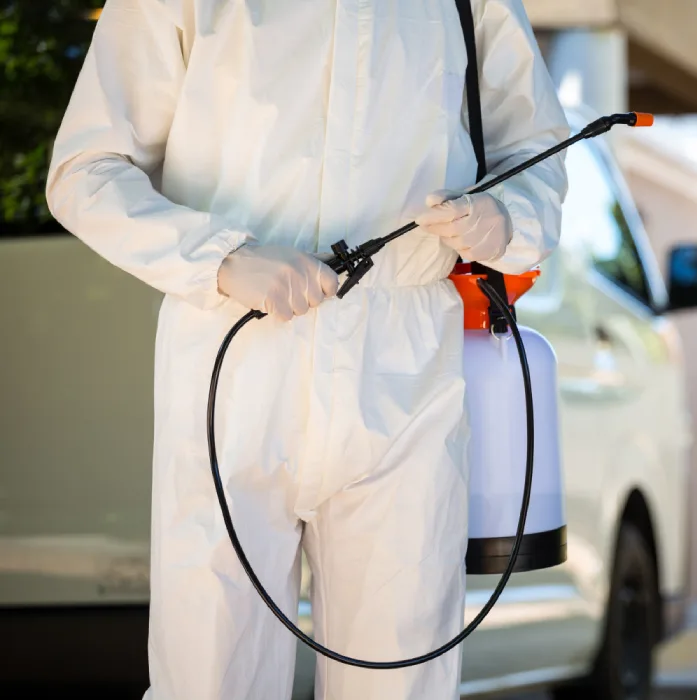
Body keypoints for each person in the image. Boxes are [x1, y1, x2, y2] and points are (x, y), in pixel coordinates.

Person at [46, 0, 568, 698]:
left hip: (405, 370)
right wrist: (220, 260)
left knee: (402, 683)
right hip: (231, 359)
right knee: (210, 680)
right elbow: (86, 170)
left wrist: (505, 216)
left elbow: (536, 149)